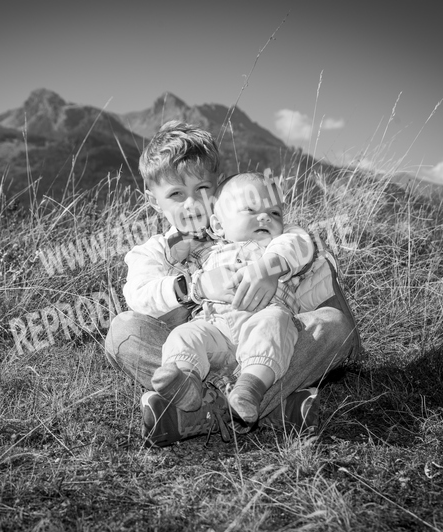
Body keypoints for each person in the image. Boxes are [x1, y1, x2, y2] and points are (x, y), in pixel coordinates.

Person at [104, 120, 360, 447]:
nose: (192, 203)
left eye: (202, 189)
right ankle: (267, 406)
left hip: (270, 337)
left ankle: (202, 411)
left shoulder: (251, 222)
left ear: (219, 187)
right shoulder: (154, 251)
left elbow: (298, 240)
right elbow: (139, 295)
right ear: (154, 201)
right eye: (176, 194)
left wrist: (269, 268)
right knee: (123, 331)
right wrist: (195, 288)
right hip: (204, 344)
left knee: (334, 326)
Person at [152, 172, 314, 425]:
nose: (265, 217)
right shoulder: (208, 251)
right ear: (218, 226)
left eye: (275, 213)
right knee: (183, 335)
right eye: (250, 209)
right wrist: (180, 244)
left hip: (263, 319)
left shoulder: (280, 244)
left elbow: (299, 245)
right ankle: (186, 383)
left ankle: (248, 390)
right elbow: (173, 261)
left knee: (273, 324)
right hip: (215, 328)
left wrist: (268, 267)